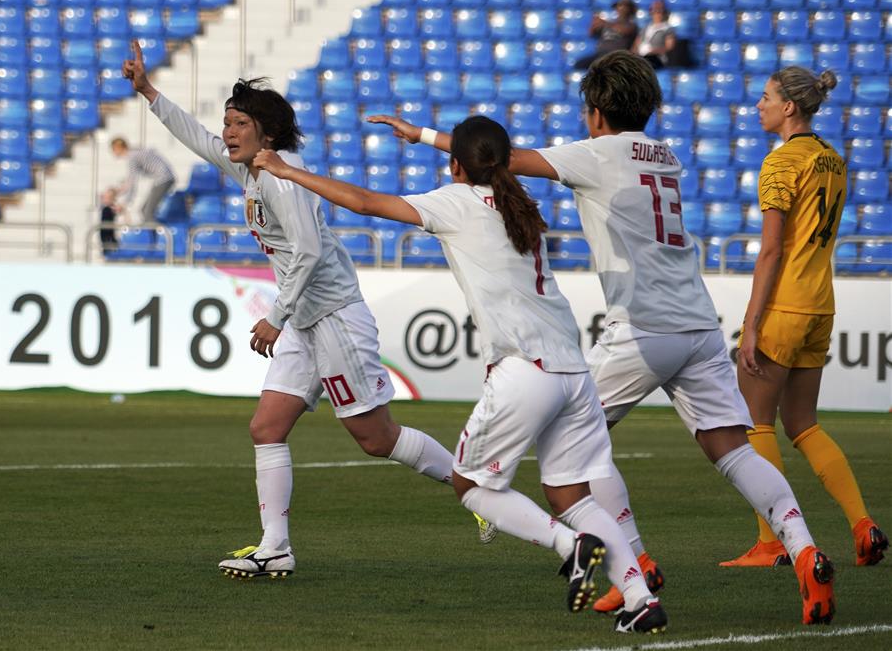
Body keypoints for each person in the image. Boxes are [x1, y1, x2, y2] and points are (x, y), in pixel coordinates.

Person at [372, 51, 837, 626]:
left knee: (571, 450)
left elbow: (497, 160)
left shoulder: (598, 153)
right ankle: (805, 549)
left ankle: (634, 564)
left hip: (641, 329)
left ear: (596, 113)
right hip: (697, 323)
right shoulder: (664, 155)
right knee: (732, 448)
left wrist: (419, 134)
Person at [253, 115, 668, 634]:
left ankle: (569, 545)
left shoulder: (456, 203)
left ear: (455, 165)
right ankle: (638, 595)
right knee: (572, 497)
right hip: (573, 371)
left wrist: (288, 173)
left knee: (470, 485)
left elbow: (364, 202)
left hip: (524, 369)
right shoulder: (523, 207)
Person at [120, 40, 495, 579]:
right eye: (227, 121)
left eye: (239, 122)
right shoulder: (252, 170)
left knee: (375, 438)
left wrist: (276, 314)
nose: (227, 131)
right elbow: (197, 139)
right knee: (266, 427)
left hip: (333, 316)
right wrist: (150, 93)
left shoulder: (280, 175)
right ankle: (276, 546)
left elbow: (310, 251)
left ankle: (477, 489)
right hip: (303, 318)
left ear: (266, 133)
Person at [722, 66, 888, 569]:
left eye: (767, 96)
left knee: (754, 424)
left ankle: (772, 542)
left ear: (789, 106)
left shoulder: (780, 163)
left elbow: (770, 252)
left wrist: (750, 325)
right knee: (803, 423)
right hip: (820, 304)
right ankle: (864, 524)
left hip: (786, 305)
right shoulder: (833, 160)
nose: (759, 104)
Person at [110, 136, 176, 224]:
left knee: (147, 212)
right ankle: (156, 232)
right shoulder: (134, 153)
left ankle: (157, 235)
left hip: (163, 179)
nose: (113, 153)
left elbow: (132, 182)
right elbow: (129, 181)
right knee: (144, 210)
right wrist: (120, 191)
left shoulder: (132, 157)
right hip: (164, 178)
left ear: (118, 148)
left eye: (113, 149)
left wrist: (125, 203)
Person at [573, 0, 639, 70]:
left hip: (617, 56)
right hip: (600, 54)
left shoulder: (631, 25)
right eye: (619, 6)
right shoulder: (610, 23)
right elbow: (591, 34)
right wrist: (594, 24)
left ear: (630, 9)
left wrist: (605, 23)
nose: (620, 8)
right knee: (579, 64)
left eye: (624, 6)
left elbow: (624, 30)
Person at [632, 0, 675, 70]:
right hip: (641, 57)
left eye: (660, 10)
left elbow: (669, 47)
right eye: (655, 10)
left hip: (657, 57)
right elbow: (636, 44)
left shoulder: (667, 28)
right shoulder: (645, 27)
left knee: (646, 63)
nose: (657, 13)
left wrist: (653, 51)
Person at [99, 187, 122, 253]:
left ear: (113, 199)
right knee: (106, 246)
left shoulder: (111, 208)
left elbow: (118, 211)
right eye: (105, 197)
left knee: (110, 245)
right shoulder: (105, 207)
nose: (105, 199)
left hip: (109, 234)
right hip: (105, 233)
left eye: (108, 198)